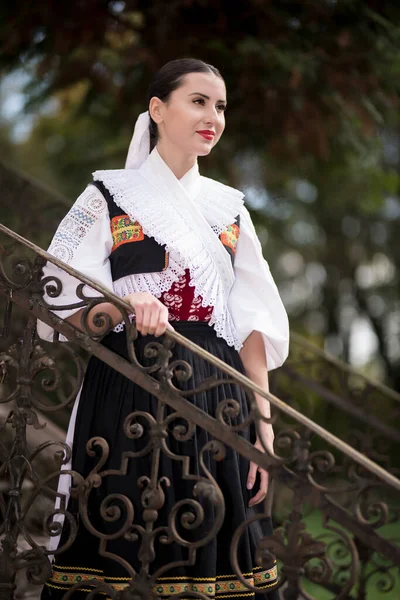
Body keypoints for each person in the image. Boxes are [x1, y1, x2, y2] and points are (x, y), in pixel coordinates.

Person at [37, 58, 289, 600]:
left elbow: (252, 326)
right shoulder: (107, 195)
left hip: (218, 393)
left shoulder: (232, 210)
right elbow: (57, 296)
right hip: (129, 384)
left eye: (220, 106)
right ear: (157, 109)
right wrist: (123, 303)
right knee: (123, 539)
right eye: (198, 101)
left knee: (216, 545)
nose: (213, 117)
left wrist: (263, 425)